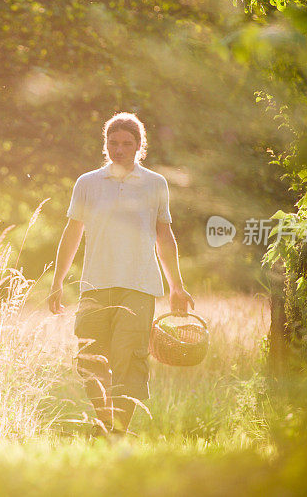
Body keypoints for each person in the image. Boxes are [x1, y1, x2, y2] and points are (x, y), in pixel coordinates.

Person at [47, 112, 194, 437]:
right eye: (113, 143)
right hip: (94, 286)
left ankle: (114, 431)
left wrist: (176, 287)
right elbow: (72, 233)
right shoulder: (87, 183)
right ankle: (107, 426)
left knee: (129, 359)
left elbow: (164, 237)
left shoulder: (155, 184)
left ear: (140, 147)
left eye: (127, 143)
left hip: (138, 286)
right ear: (105, 144)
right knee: (90, 359)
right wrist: (57, 281)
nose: (120, 148)